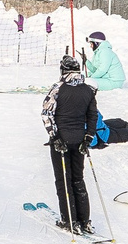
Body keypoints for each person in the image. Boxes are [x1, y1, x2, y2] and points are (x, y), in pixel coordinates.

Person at [42, 53, 98, 234]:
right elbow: (92, 115)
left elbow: (46, 114)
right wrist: (88, 137)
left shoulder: (58, 88)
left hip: (62, 141)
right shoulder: (88, 90)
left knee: (63, 180)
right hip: (80, 140)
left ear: (63, 70)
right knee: (78, 179)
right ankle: (84, 220)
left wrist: (55, 137)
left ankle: (69, 220)